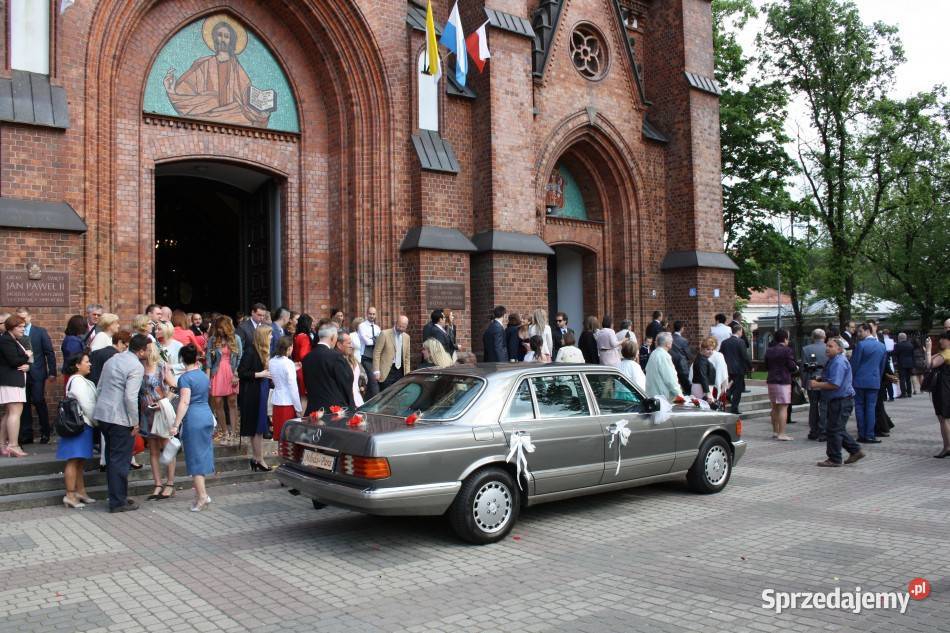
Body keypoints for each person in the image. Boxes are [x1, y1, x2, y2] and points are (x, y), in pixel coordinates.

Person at [93, 333, 148, 512]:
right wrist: (135, 422)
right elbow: (130, 397)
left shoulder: (113, 360)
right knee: (120, 460)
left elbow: (100, 387)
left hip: (103, 414)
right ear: (141, 351)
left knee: (112, 458)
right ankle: (118, 502)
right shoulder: (136, 366)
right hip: (120, 418)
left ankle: (117, 496)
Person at [169, 345, 216, 511]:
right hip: (206, 414)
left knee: (194, 457)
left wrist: (176, 424)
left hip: (194, 418)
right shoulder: (203, 375)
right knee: (202, 454)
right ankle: (201, 494)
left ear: (182, 359)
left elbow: (184, 401)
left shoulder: (185, 378)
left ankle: (202, 496)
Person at [809, 337, 865, 467]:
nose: (827, 348)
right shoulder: (834, 360)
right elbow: (832, 378)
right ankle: (855, 451)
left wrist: (817, 384)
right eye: (827, 346)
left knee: (834, 430)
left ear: (839, 349)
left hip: (841, 400)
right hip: (838, 400)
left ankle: (835, 458)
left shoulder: (838, 362)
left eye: (831, 346)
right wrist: (821, 378)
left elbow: (835, 384)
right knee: (835, 428)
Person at [57, 353, 97, 507]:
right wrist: (96, 420)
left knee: (80, 460)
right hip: (79, 425)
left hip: (82, 425)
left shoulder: (80, 380)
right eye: (86, 362)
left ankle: (80, 492)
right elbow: (86, 404)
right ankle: (70, 494)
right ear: (77, 365)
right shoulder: (78, 381)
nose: (90, 364)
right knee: (74, 460)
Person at [139, 341, 177, 501]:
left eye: (146, 349)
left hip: (160, 412)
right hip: (146, 412)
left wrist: (163, 403)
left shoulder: (162, 367)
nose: (142, 352)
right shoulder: (139, 366)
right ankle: (157, 484)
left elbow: (174, 387)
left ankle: (170, 483)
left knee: (167, 447)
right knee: (153, 449)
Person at [16, 308, 56, 445]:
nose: (23, 320)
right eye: (19, 318)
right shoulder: (15, 334)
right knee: (24, 404)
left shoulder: (40, 332)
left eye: (24, 317)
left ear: (30, 317)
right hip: (21, 373)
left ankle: (45, 432)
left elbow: (49, 352)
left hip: (38, 373)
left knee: (39, 401)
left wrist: (52, 372)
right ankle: (27, 435)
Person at [238, 325, 272, 471]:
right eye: (269, 335)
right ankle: (259, 459)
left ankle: (257, 458)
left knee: (259, 428)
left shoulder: (261, 352)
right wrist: (260, 374)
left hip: (261, 389)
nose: (271, 337)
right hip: (253, 393)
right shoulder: (251, 352)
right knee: (256, 428)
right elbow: (242, 372)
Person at [205, 315, 242, 443]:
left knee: (232, 401)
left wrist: (236, 374)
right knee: (218, 402)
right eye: (218, 328)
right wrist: (207, 378)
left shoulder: (235, 339)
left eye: (222, 328)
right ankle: (224, 431)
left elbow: (239, 358)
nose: (220, 330)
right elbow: (208, 360)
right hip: (217, 372)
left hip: (231, 372)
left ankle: (233, 432)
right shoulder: (213, 340)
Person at [304, 323, 356, 412]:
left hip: (313, 410)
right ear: (332, 338)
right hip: (334, 411)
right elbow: (346, 382)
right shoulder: (336, 357)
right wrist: (351, 407)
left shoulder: (307, 357)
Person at [0, 315, 31, 457]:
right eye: (20, 327)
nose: (23, 329)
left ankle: (2, 444)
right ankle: (13, 445)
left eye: (24, 326)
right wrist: (27, 356)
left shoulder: (12, 340)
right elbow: (13, 361)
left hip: (14, 380)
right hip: (11, 381)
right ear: (12, 327)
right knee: (15, 412)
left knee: (9, 413)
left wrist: (26, 366)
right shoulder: (6, 340)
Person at [850, 323, 886, 443]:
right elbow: (882, 366)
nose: (858, 334)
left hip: (859, 381)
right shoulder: (881, 346)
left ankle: (862, 434)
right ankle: (870, 435)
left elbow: (855, 364)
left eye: (860, 331)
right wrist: (878, 378)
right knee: (871, 408)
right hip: (874, 381)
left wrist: (851, 379)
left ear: (867, 331)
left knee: (859, 407)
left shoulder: (861, 345)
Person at [765, 329, 797, 441]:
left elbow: (766, 366)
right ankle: (782, 433)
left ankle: (775, 431)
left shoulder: (769, 351)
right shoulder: (787, 350)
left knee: (774, 407)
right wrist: (796, 367)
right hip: (783, 381)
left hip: (771, 380)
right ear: (785, 338)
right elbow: (791, 366)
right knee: (783, 407)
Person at [269, 336, 302, 442]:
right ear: (289, 348)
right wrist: (298, 408)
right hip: (287, 402)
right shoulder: (288, 363)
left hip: (277, 400)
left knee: (278, 434)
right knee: (287, 436)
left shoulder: (272, 361)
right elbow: (293, 387)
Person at [925, 334, 950, 458]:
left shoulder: (946, 354)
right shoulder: (944, 353)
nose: (940, 341)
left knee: (943, 418)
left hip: (943, 388)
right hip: (946, 386)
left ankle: (947, 447)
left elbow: (929, 364)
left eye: (943, 339)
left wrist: (929, 349)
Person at [801, 329, 829, 441]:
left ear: (813, 337)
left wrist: (804, 383)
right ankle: (824, 430)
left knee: (813, 406)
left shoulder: (806, 349)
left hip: (812, 380)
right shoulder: (829, 347)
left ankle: (814, 430)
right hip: (826, 380)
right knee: (824, 406)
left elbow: (803, 368)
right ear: (824, 336)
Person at [373, 316, 411, 391]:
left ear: (406, 326)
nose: (401, 329)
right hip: (387, 371)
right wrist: (376, 371)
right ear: (396, 323)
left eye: (403, 327)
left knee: (398, 395)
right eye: (399, 326)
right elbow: (377, 353)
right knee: (385, 395)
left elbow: (407, 357)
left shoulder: (407, 337)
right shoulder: (384, 334)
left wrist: (407, 373)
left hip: (400, 371)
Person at [720, 324, 751, 414]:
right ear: (738, 331)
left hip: (727, 368)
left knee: (731, 385)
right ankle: (734, 408)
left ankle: (728, 395)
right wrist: (750, 366)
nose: (742, 333)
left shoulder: (724, 342)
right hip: (738, 369)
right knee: (738, 389)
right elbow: (745, 356)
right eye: (741, 331)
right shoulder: (741, 342)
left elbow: (721, 354)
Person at [645, 332, 682, 400]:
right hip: (662, 399)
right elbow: (670, 379)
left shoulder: (653, 353)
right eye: (671, 341)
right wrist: (680, 395)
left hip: (652, 395)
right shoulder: (664, 356)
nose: (672, 342)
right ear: (667, 344)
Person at [357, 307, 381, 398]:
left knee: (372, 382)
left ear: (376, 315)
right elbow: (367, 342)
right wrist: (375, 339)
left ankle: (366, 401)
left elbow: (380, 341)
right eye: (370, 314)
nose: (372, 316)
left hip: (376, 357)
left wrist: (372, 339)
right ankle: (377, 402)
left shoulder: (377, 328)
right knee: (373, 380)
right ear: (367, 314)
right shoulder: (362, 326)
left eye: (373, 314)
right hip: (366, 357)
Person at [337, 331, 367, 406]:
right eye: (349, 343)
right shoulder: (336, 363)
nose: (352, 346)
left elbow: (363, 377)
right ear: (339, 345)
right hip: (345, 402)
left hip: (358, 399)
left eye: (351, 343)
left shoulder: (354, 360)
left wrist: (362, 385)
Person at [689, 337, 718, 404]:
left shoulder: (702, 359)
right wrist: (708, 393)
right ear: (702, 349)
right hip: (701, 389)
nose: (710, 352)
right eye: (708, 349)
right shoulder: (701, 361)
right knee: (704, 410)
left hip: (702, 388)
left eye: (712, 350)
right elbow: (703, 377)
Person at [292, 314, 314, 400]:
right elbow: (303, 355)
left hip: (297, 368)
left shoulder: (296, 336)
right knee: (304, 398)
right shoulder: (304, 337)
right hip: (303, 369)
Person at [893, 333, 915, 399]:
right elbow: (912, 355)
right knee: (908, 379)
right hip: (910, 363)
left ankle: (903, 393)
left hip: (902, 363)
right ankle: (909, 393)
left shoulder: (898, 345)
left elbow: (895, 353)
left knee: (902, 379)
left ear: (899, 338)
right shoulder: (910, 345)